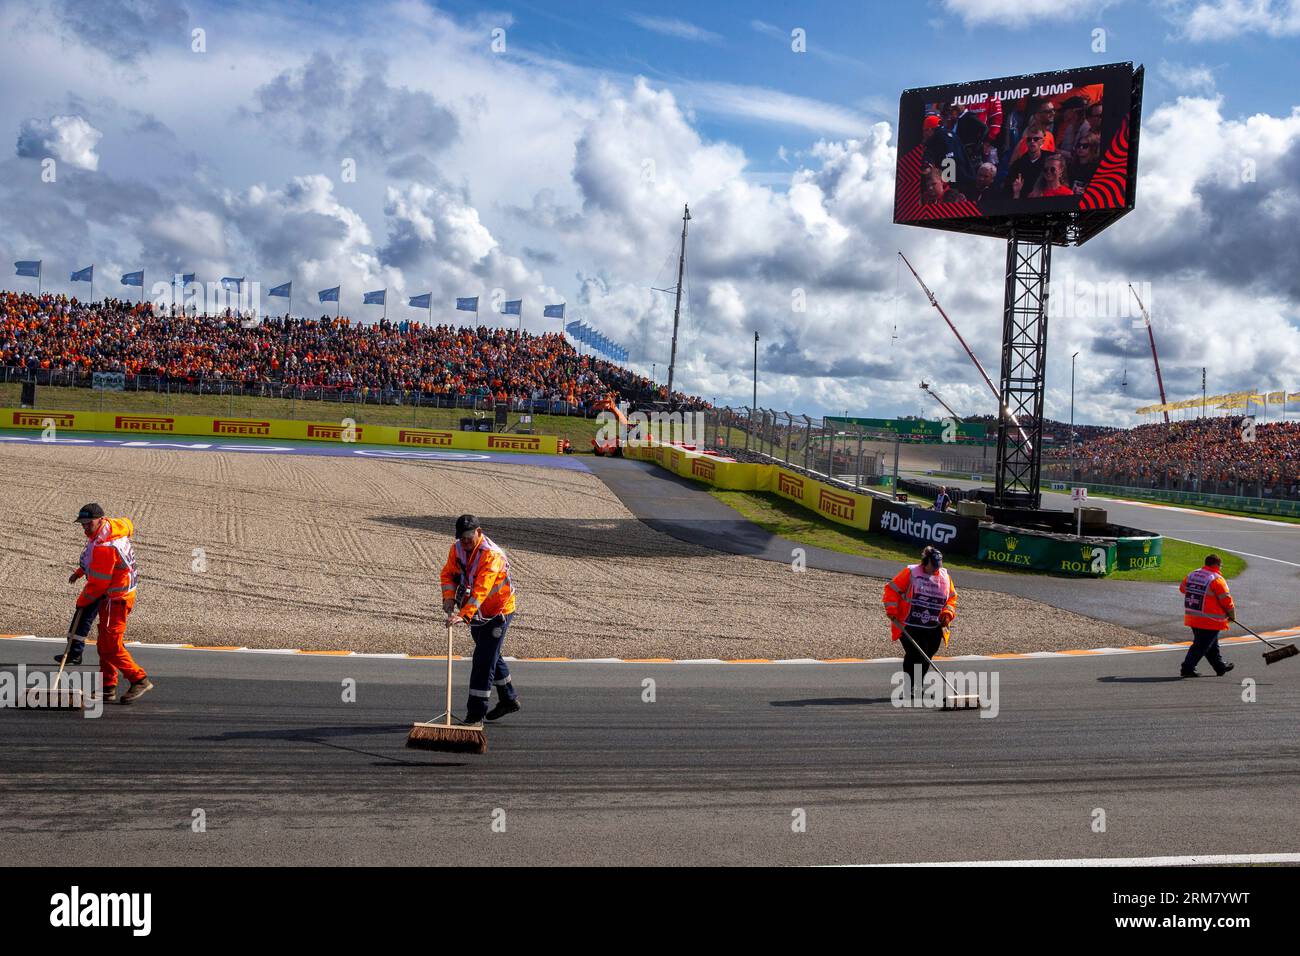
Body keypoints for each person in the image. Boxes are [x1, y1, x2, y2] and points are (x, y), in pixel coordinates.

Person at [440, 514, 521, 723]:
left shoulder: (491, 556)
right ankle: (508, 699)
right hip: (476, 613)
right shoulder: (457, 549)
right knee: (491, 653)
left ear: (478, 532)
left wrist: (463, 615)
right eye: (462, 538)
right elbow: (448, 574)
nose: (465, 542)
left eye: (469, 537)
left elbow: (481, 590)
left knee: (483, 660)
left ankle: (475, 714)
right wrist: (448, 598)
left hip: (497, 613)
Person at [72, 503, 153, 703]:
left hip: (116, 599)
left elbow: (98, 585)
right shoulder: (110, 529)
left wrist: (82, 602)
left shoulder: (105, 547)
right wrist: (81, 571)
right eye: (82, 524)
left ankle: (139, 679)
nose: (85, 528)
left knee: (110, 646)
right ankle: (107, 687)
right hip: (117, 595)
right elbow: (91, 560)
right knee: (104, 643)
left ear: (100, 519)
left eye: (88, 524)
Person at [883, 546, 958, 699]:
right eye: (933, 566)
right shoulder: (911, 573)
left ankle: (917, 688)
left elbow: (952, 598)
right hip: (909, 624)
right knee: (916, 653)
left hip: (933, 626)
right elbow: (891, 590)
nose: (935, 570)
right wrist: (892, 610)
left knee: (927, 655)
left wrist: (948, 613)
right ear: (925, 562)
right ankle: (908, 687)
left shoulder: (944, 576)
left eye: (938, 566)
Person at [1179, 554, 1236, 678]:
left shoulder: (1192, 574)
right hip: (1210, 619)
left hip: (1193, 616)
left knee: (1210, 643)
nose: (1220, 568)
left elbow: (1183, 589)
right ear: (1216, 565)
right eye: (1220, 566)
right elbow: (1226, 599)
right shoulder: (1217, 579)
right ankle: (1187, 667)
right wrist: (1231, 614)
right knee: (1202, 645)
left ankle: (1220, 667)